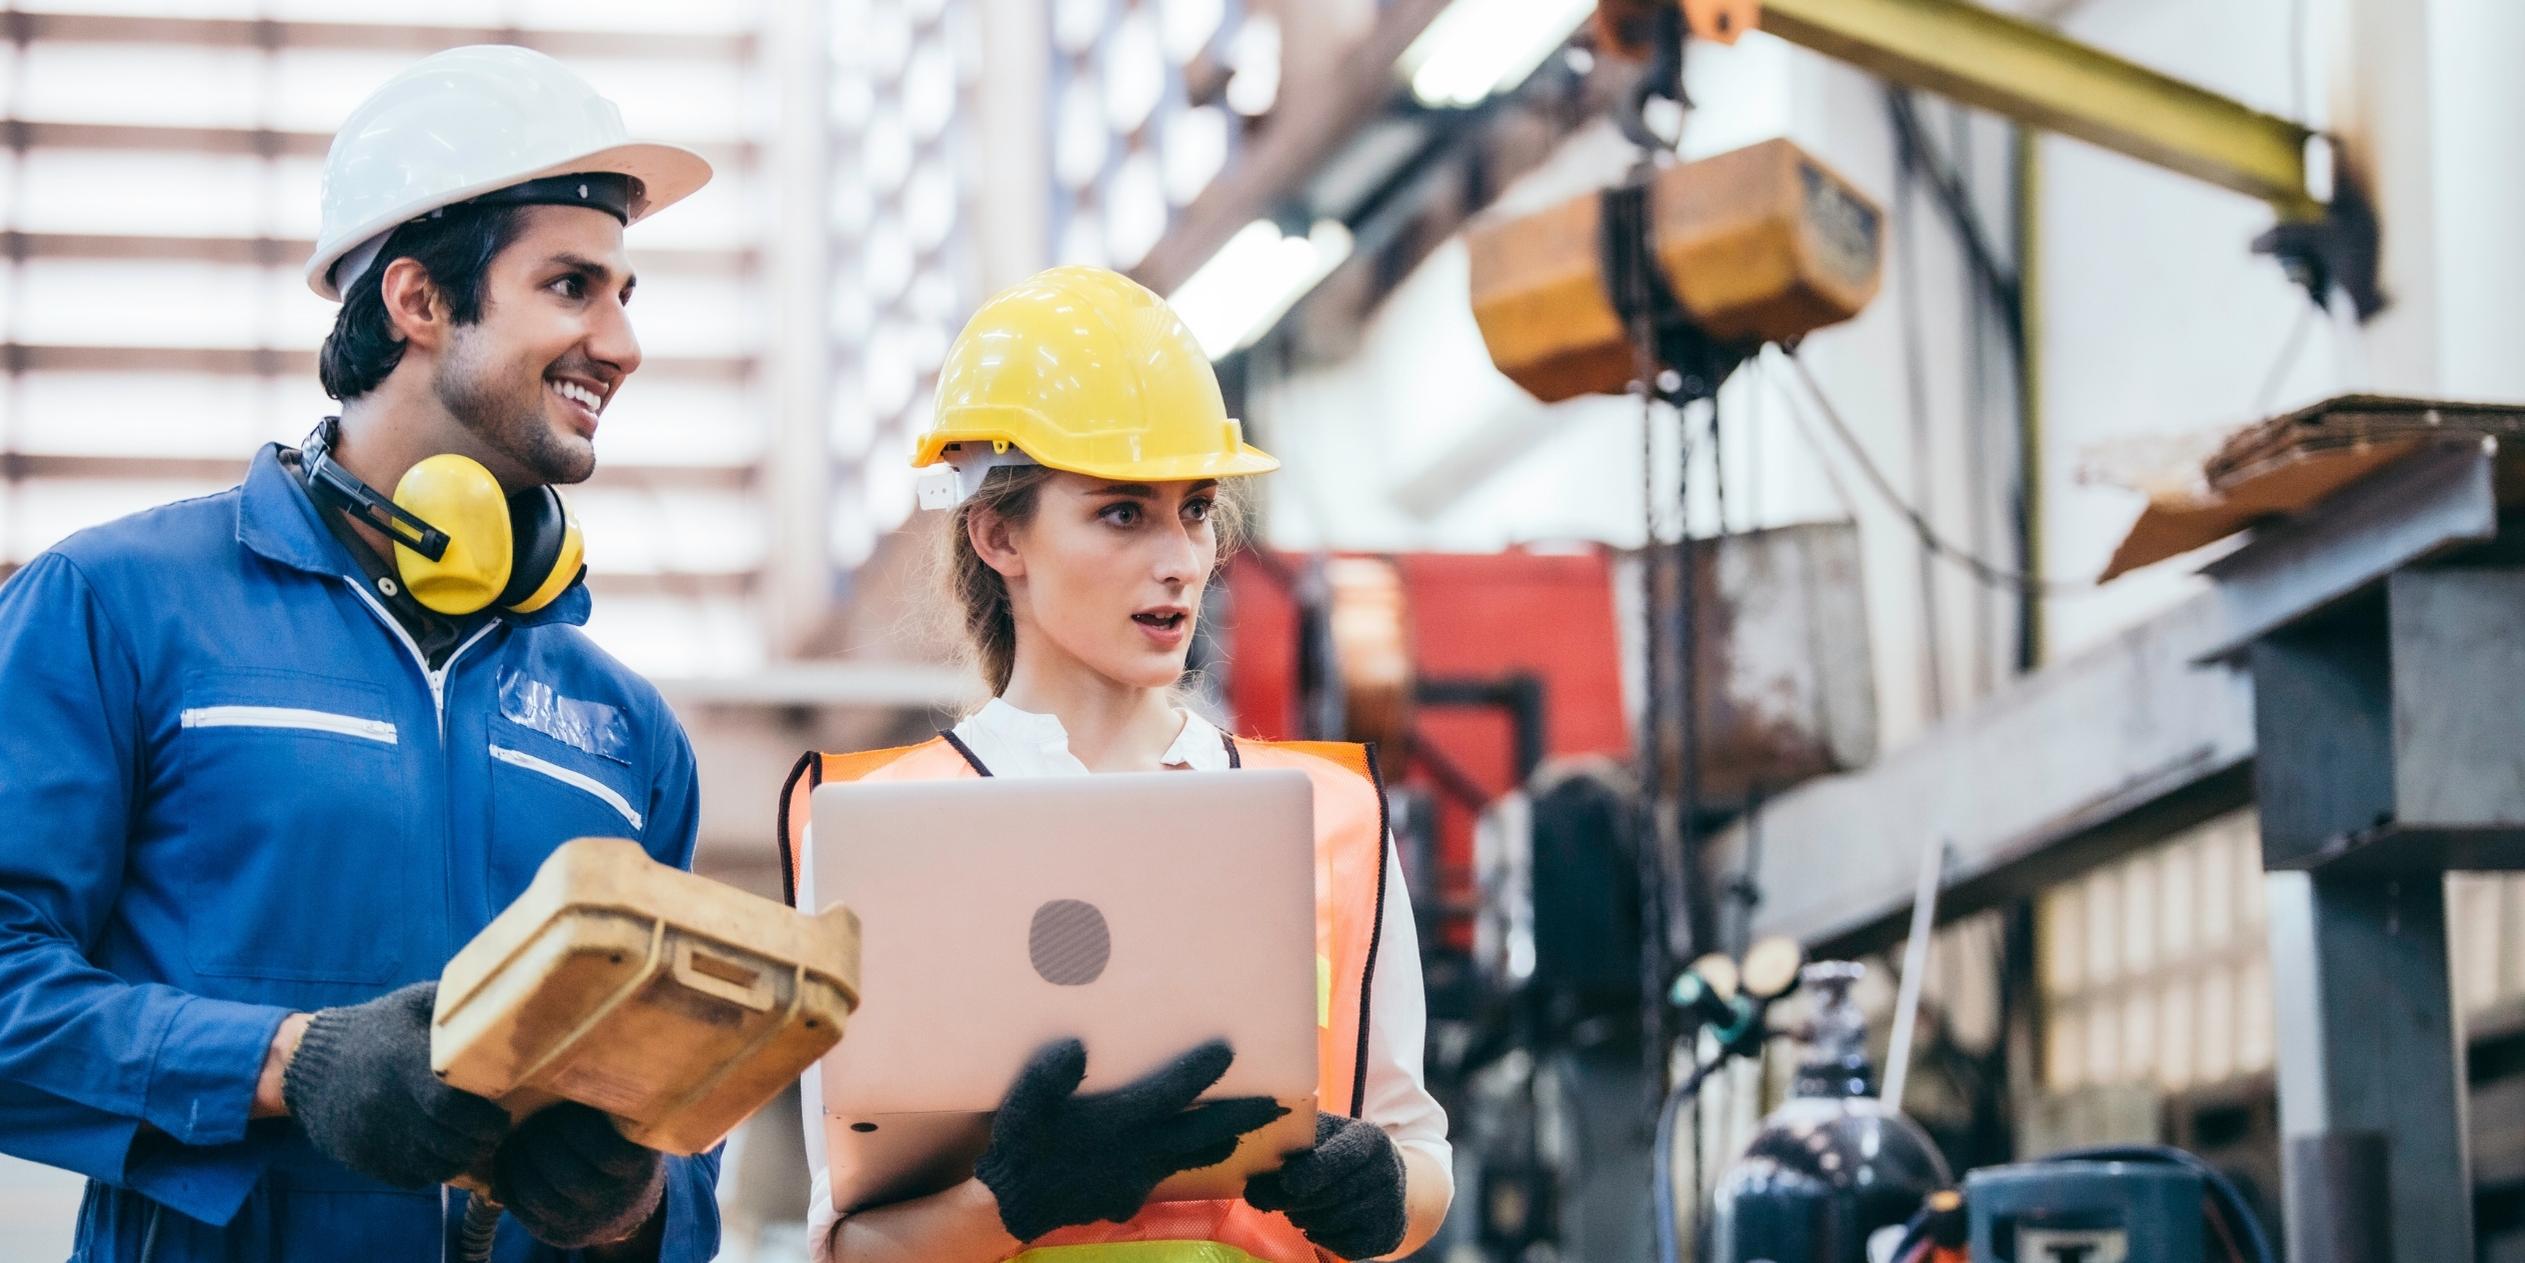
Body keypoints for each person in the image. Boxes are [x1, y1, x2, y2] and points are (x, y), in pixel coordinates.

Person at [0, 45, 723, 1258]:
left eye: (625, 296)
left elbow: (691, 1132)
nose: (620, 342)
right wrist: (287, 1064)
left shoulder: (627, 734)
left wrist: (638, 1205)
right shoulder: (119, 607)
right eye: (570, 287)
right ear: (419, 300)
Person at [779, 266, 1453, 1262]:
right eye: (1121, 512)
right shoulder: (873, 832)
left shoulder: (1330, 820)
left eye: (1193, 508)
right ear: (998, 534)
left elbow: (1418, 1146)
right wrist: (1010, 1204)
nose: (1181, 558)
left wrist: (1386, 1193)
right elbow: (846, 1246)